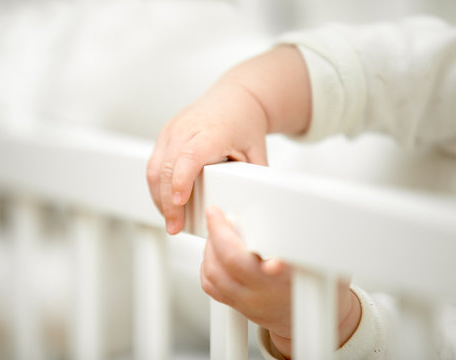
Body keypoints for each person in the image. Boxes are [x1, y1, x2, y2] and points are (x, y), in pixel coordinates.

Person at [146, 16, 456, 359]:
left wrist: (321, 321)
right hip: (259, 128)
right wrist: (248, 97)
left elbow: (427, 348)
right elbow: (382, 69)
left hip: (190, 289)